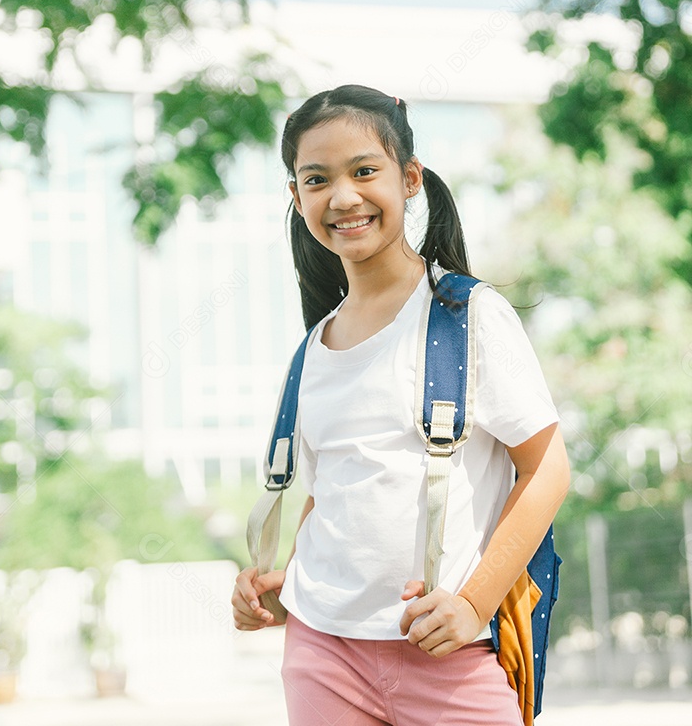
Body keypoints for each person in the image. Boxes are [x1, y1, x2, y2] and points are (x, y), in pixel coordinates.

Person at [231, 84, 570, 726]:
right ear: (297, 197)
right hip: (321, 655)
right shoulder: (313, 349)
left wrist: (473, 604)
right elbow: (333, 492)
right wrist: (293, 585)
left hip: (449, 652)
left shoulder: (466, 316)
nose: (344, 196)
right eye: (316, 179)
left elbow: (548, 469)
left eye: (365, 171)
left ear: (409, 179)